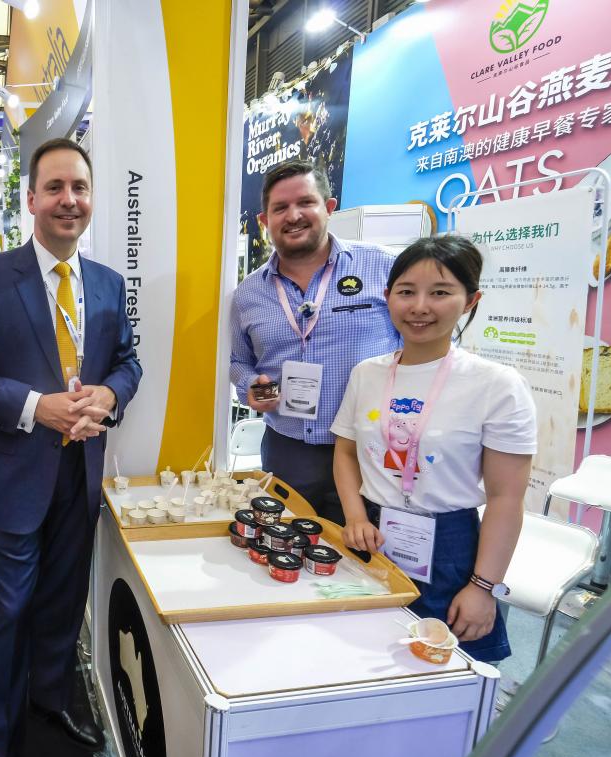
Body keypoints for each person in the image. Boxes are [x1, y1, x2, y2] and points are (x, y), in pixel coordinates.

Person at [0, 138, 142, 757]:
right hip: (16, 475)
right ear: (31, 199)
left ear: (92, 199)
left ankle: (49, 701)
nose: (68, 200)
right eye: (54, 188)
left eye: (79, 188)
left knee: (61, 602)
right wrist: (33, 406)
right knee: (10, 609)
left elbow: (129, 362)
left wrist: (110, 393)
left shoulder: (107, 284)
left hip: (81, 476)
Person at [332, 235, 536, 662]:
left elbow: (506, 497)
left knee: (448, 667)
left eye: (440, 292)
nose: (419, 306)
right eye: (406, 291)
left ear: (470, 300)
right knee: (363, 656)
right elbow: (346, 451)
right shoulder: (366, 374)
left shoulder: (496, 384)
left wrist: (484, 587)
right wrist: (353, 515)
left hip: (450, 545)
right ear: (387, 297)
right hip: (370, 533)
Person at [230, 159, 400, 523]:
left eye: (305, 202)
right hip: (287, 451)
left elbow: (422, 348)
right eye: (280, 208)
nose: (293, 215)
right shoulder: (248, 294)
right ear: (265, 221)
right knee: (286, 549)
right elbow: (238, 360)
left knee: (362, 561)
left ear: (329, 207)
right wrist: (251, 385)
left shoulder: (383, 268)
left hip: (369, 450)